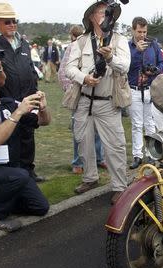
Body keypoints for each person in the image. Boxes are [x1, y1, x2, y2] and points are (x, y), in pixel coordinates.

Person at [65, 0, 130, 204]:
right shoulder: (81, 42)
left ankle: (120, 186)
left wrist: (110, 58)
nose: (105, 15)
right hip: (84, 100)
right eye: (101, 11)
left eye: (107, 12)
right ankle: (90, 178)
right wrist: (84, 78)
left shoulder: (119, 40)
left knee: (115, 146)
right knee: (83, 142)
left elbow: (125, 66)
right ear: (92, 16)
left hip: (108, 102)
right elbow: (69, 68)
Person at [0, 2, 45, 183]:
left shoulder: (24, 43)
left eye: (14, 21)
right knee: (11, 137)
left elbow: (30, 68)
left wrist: (34, 90)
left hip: (27, 95)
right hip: (5, 97)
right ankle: (14, 174)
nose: (12, 24)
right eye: (7, 22)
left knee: (28, 133)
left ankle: (29, 171)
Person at [0, 77, 50, 232]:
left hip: (13, 172)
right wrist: (18, 113)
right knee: (20, 175)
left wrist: (42, 108)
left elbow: (44, 122)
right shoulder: (14, 111)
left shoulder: (8, 103)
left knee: (40, 206)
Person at [58, 24, 106, 175]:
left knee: (98, 130)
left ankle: (98, 158)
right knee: (79, 130)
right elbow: (63, 71)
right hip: (80, 93)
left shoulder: (102, 44)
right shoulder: (74, 46)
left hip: (98, 94)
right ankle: (78, 161)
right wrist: (71, 89)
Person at [127, 16, 163, 169]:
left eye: (144, 31)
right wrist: (137, 51)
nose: (142, 35)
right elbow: (126, 66)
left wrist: (155, 71)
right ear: (133, 30)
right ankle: (137, 155)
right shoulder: (128, 46)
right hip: (134, 89)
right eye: (139, 31)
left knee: (150, 123)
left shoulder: (153, 44)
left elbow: (162, 63)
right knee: (136, 124)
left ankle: (151, 154)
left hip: (150, 88)